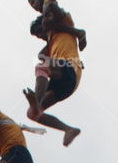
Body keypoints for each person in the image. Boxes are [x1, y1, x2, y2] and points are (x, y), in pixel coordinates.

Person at [23, 10, 82, 146]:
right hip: (65, 85)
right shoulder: (49, 46)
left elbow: (52, 8)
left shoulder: (62, 25)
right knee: (32, 114)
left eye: (40, 31)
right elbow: (40, 55)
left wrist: (46, 13)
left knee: (42, 66)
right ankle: (69, 129)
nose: (40, 36)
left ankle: (37, 101)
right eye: (37, 35)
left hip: (70, 68)